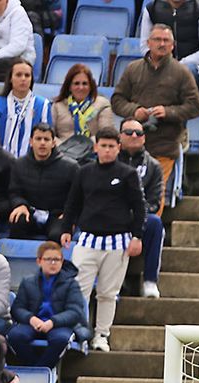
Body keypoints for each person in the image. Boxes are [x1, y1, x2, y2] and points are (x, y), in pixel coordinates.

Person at [61, 129, 144, 353]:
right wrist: (66, 227)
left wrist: (137, 236)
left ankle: (101, 335)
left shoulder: (128, 174)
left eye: (111, 146)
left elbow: (139, 207)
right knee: (79, 291)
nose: (107, 150)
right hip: (87, 239)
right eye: (103, 146)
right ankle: (79, 333)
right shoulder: (84, 172)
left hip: (117, 242)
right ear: (95, 147)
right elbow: (73, 202)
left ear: (118, 148)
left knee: (108, 293)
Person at [110, 22, 199, 192]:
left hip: (165, 144)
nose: (162, 44)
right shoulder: (133, 69)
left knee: (152, 194)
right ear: (148, 43)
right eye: (158, 39)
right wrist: (134, 111)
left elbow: (195, 106)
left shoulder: (181, 72)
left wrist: (168, 112)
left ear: (173, 46)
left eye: (166, 40)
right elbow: (117, 100)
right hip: (131, 143)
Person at [7, 240, 85, 366]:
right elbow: (17, 308)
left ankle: (42, 371)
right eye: (48, 259)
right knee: (16, 336)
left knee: (61, 340)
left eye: (57, 259)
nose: (53, 263)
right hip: (33, 324)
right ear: (39, 261)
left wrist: (53, 322)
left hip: (59, 325)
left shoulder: (71, 284)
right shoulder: (28, 282)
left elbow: (75, 311)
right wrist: (31, 319)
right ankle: (33, 369)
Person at [116, 120, 165, 299]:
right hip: (109, 215)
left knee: (155, 223)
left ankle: (150, 281)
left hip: (139, 218)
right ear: (120, 136)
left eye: (139, 133)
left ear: (144, 138)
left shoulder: (153, 166)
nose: (134, 136)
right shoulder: (109, 161)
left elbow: (154, 201)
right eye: (129, 132)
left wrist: (135, 213)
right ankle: (114, 281)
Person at [6, 123, 78, 241]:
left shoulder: (71, 167)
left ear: (53, 143)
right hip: (31, 212)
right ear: (31, 142)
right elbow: (14, 192)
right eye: (38, 139)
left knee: (58, 235)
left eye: (46, 139)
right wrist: (20, 204)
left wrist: (69, 214)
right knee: (17, 221)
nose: (42, 143)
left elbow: (78, 196)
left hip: (57, 215)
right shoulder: (18, 164)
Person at [0, 58, 52, 159]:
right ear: (10, 78)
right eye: (18, 75)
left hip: (32, 162)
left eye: (27, 75)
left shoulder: (43, 104)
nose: (23, 79)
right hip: (1, 162)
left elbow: (47, 136)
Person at [50, 63, 116, 145]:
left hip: (92, 151)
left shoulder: (102, 104)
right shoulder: (57, 106)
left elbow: (106, 134)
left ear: (91, 86)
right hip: (62, 151)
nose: (81, 88)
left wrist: (83, 147)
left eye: (85, 84)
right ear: (69, 86)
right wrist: (64, 147)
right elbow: (50, 135)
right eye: (76, 83)